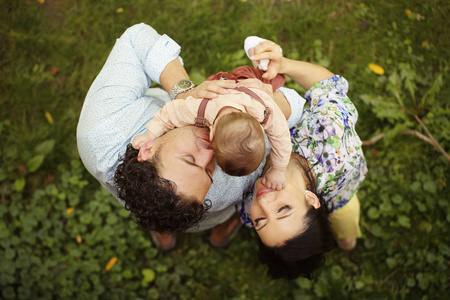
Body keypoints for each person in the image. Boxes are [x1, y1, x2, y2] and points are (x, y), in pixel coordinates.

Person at [77, 23, 306, 250]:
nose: (210, 153)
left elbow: (137, 39)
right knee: (221, 214)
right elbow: (287, 119)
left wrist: (183, 92)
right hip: (215, 210)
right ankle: (218, 233)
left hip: (197, 207)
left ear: (147, 149)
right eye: (208, 172)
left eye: (189, 158)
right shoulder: (229, 182)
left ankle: (162, 233)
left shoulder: (103, 126)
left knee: (158, 217)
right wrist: (264, 101)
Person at [238, 41, 368, 280]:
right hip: (342, 184)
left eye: (260, 221)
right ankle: (347, 237)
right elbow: (327, 86)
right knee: (346, 212)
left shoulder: (247, 201)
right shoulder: (332, 134)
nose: (264, 203)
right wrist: (284, 64)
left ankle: (346, 236)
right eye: (283, 209)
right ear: (311, 199)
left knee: (343, 221)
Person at [132, 65, 291, 189]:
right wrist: (149, 135)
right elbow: (169, 113)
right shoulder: (202, 107)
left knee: (271, 79)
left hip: (248, 84)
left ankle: (267, 65)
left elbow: (282, 138)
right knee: (268, 78)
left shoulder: (264, 109)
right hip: (229, 85)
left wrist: (279, 170)